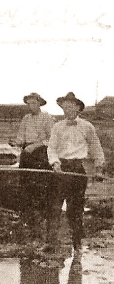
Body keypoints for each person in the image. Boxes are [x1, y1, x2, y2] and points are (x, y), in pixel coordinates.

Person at [45, 92, 105, 253]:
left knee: (75, 209)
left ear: (78, 108)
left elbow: (96, 149)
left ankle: (77, 243)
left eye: (71, 106)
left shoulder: (87, 127)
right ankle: (51, 243)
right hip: (61, 170)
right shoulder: (57, 127)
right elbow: (52, 148)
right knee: (55, 206)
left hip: (78, 170)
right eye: (65, 106)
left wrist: (98, 169)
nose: (67, 109)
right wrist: (55, 163)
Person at [11, 92, 55, 231]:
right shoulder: (26, 118)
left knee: (40, 184)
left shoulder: (47, 118)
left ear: (39, 103)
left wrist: (35, 146)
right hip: (27, 153)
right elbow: (21, 137)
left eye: (34, 103)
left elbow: (51, 139)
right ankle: (26, 216)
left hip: (41, 153)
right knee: (25, 183)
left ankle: (41, 215)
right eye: (29, 103)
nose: (31, 106)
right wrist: (16, 142)